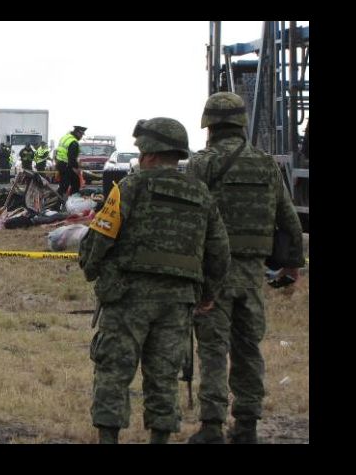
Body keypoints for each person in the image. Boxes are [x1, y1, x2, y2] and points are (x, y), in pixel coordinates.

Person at [79, 117, 230, 444]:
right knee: (163, 376)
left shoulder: (131, 187)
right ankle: (159, 438)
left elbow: (98, 240)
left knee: (114, 372)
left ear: (148, 152)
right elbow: (219, 252)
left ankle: (109, 438)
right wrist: (207, 295)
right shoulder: (200, 194)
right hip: (177, 302)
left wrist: (92, 269)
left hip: (127, 298)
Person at [186, 92, 305, 444]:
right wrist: (292, 266)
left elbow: (189, 217)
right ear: (241, 122)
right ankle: (248, 426)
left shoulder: (202, 163)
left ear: (210, 125)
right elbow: (289, 221)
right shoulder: (266, 164)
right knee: (248, 348)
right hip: (253, 274)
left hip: (212, 274)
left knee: (211, 348)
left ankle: (211, 426)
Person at [56, 126, 86, 196]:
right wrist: (76, 168)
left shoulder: (66, 137)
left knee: (65, 184)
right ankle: (62, 203)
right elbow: (72, 158)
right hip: (67, 166)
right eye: (81, 135)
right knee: (72, 185)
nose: (81, 137)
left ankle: (61, 201)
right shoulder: (73, 142)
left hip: (60, 164)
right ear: (77, 133)